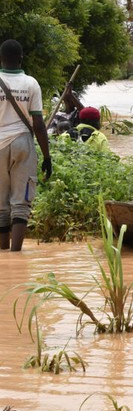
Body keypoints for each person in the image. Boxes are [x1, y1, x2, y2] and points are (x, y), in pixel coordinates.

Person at [0, 39, 51, 252]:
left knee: (1, 204)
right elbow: (38, 123)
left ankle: (3, 254)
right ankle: (16, 254)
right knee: (21, 202)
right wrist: (47, 156)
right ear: (21, 58)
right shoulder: (31, 83)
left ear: (1, 58)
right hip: (23, 143)